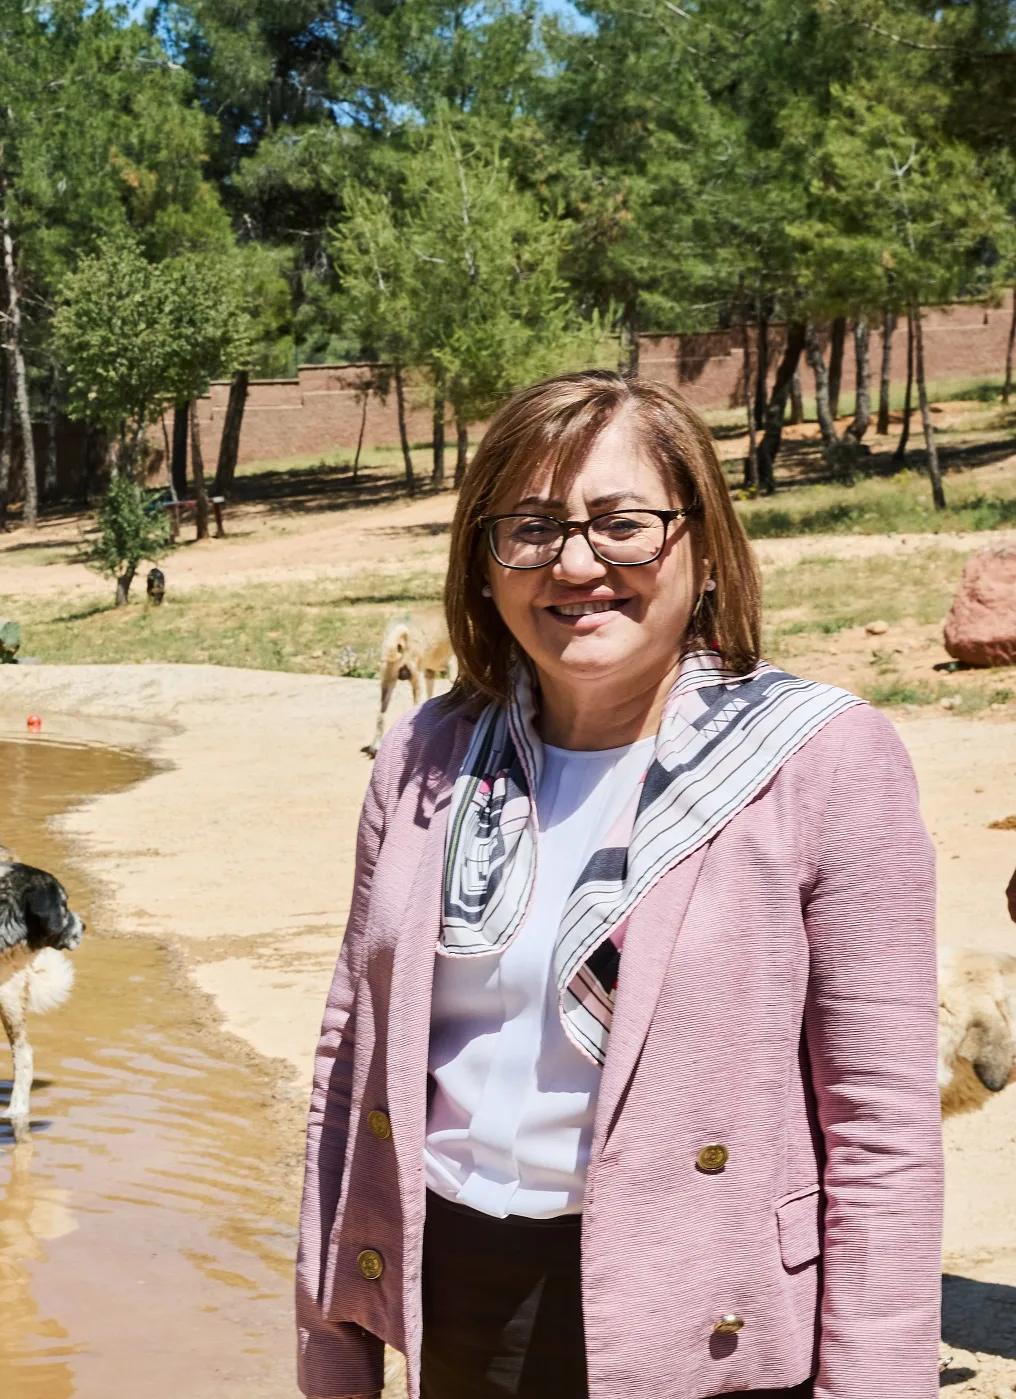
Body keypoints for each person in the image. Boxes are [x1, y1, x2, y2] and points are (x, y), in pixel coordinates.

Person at [295, 371, 941, 1399]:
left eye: (621, 524)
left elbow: (879, 1129)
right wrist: (332, 1351)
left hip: (702, 1315)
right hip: (455, 1299)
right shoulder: (427, 753)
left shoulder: (816, 760)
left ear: (701, 542)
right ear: (484, 558)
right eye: (531, 527)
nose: (576, 562)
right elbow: (348, 1057)